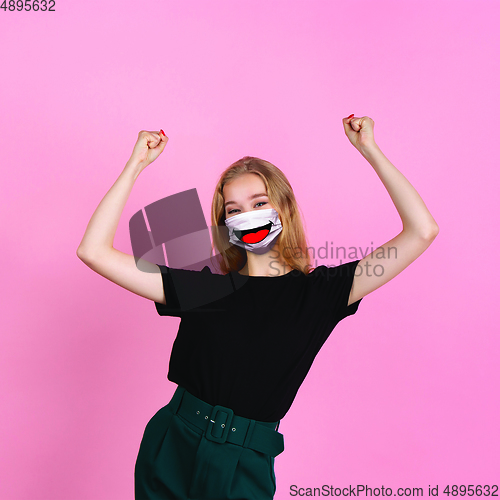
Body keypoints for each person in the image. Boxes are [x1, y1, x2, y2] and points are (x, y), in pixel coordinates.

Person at [77, 115, 439, 500]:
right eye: (233, 209)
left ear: (282, 207)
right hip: (173, 443)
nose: (247, 215)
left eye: (259, 202)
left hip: (247, 460)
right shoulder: (202, 287)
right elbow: (93, 251)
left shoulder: (324, 292)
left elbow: (422, 230)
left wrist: (370, 149)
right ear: (225, 223)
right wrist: (136, 165)